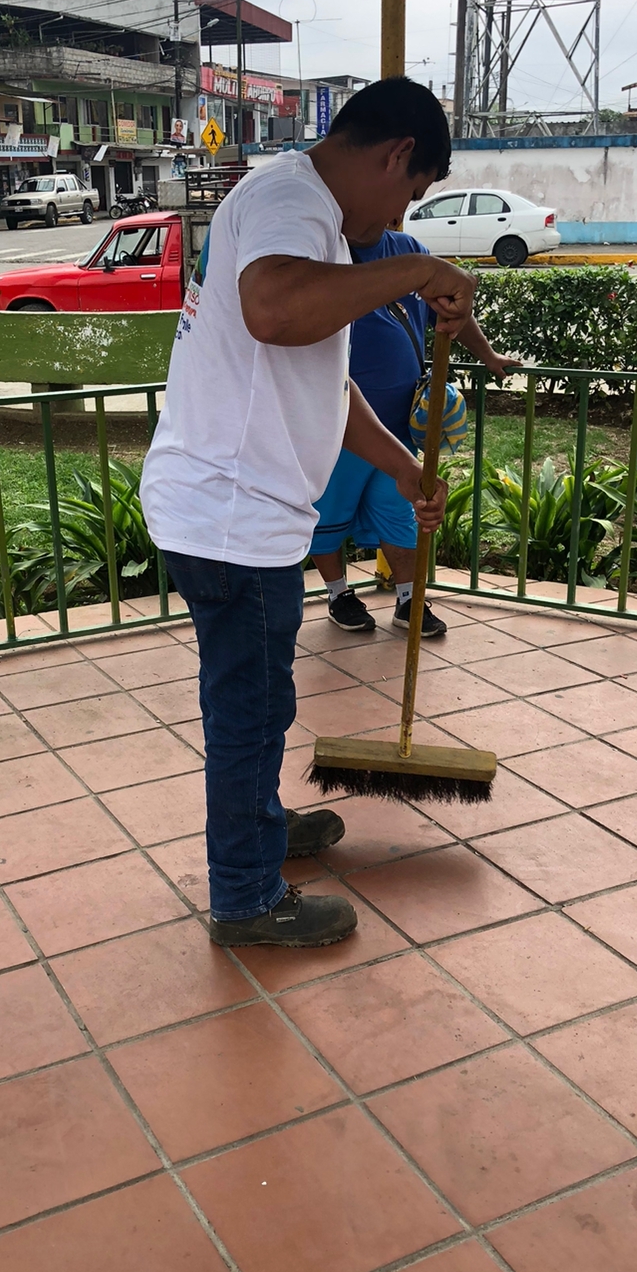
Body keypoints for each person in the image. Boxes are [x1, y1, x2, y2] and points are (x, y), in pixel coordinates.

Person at [140, 76, 478, 951]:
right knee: (251, 711)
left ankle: (255, 825)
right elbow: (275, 310)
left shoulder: (303, 214)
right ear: (397, 154)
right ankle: (247, 896)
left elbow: (325, 378)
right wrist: (417, 269)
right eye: (410, 194)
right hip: (231, 517)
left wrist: (403, 467)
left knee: (258, 701)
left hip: (230, 510)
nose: (399, 214)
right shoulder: (292, 201)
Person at [311, 230, 518, 638]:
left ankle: (410, 600)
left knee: (402, 515)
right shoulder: (323, 251)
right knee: (328, 517)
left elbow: (453, 312)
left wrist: (488, 355)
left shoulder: (409, 252)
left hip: (400, 430)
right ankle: (338, 594)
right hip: (341, 432)